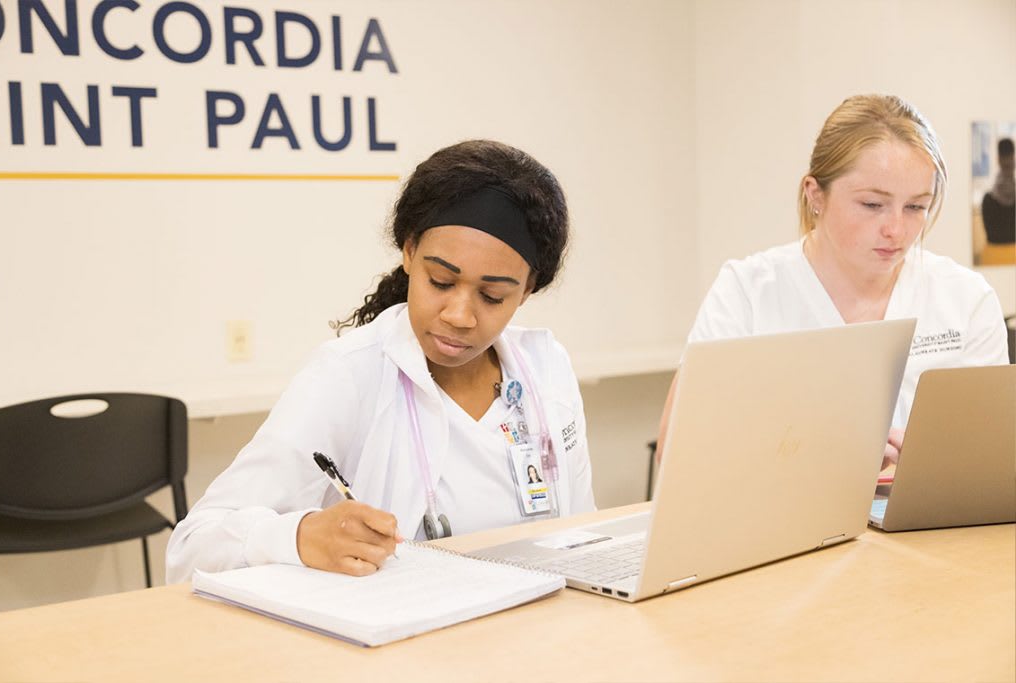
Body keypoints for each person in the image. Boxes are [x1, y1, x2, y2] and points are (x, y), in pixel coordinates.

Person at [166, 140, 596, 582]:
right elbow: (191, 547)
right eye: (441, 281)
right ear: (409, 252)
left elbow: (581, 530)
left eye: (493, 296)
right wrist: (300, 536)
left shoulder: (545, 368)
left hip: (539, 632)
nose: (459, 316)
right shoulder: (349, 374)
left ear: (526, 291)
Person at [656, 94, 1009, 467]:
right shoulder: (746, 293)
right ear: (815, 195)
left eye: (916, 207)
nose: (896, 230)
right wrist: (818, 456)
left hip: (933, 523)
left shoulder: (966, 300)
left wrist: (932, 457)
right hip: (783, 523)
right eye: (872, 205)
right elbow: (677, 454)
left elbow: (994, 458)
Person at [981, 137, 1015, 245]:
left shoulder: (988, 200)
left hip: (993, 254)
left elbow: (991, 237)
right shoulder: (988, 199)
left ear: (998, 160)